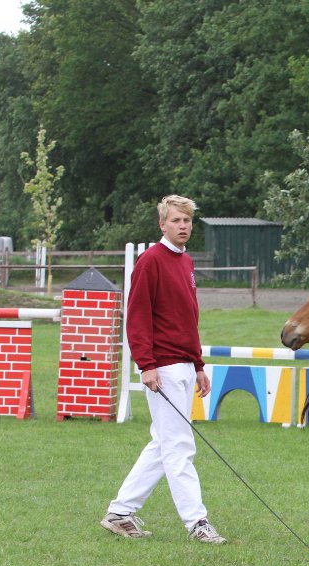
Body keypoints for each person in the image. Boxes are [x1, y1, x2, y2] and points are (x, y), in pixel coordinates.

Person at [101, 194, 226, 544]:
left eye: (187, 221)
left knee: (163, 444)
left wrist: (198, 365)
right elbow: (137, 317)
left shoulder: (184, 262)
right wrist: (146, 365)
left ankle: (120, 511)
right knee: (180, 446)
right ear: (163, 224)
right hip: (163, 369)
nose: (183, 226)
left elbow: (188, 319)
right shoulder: (150, 261)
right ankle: (197, 522)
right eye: (176, 220)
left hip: (185, 366)